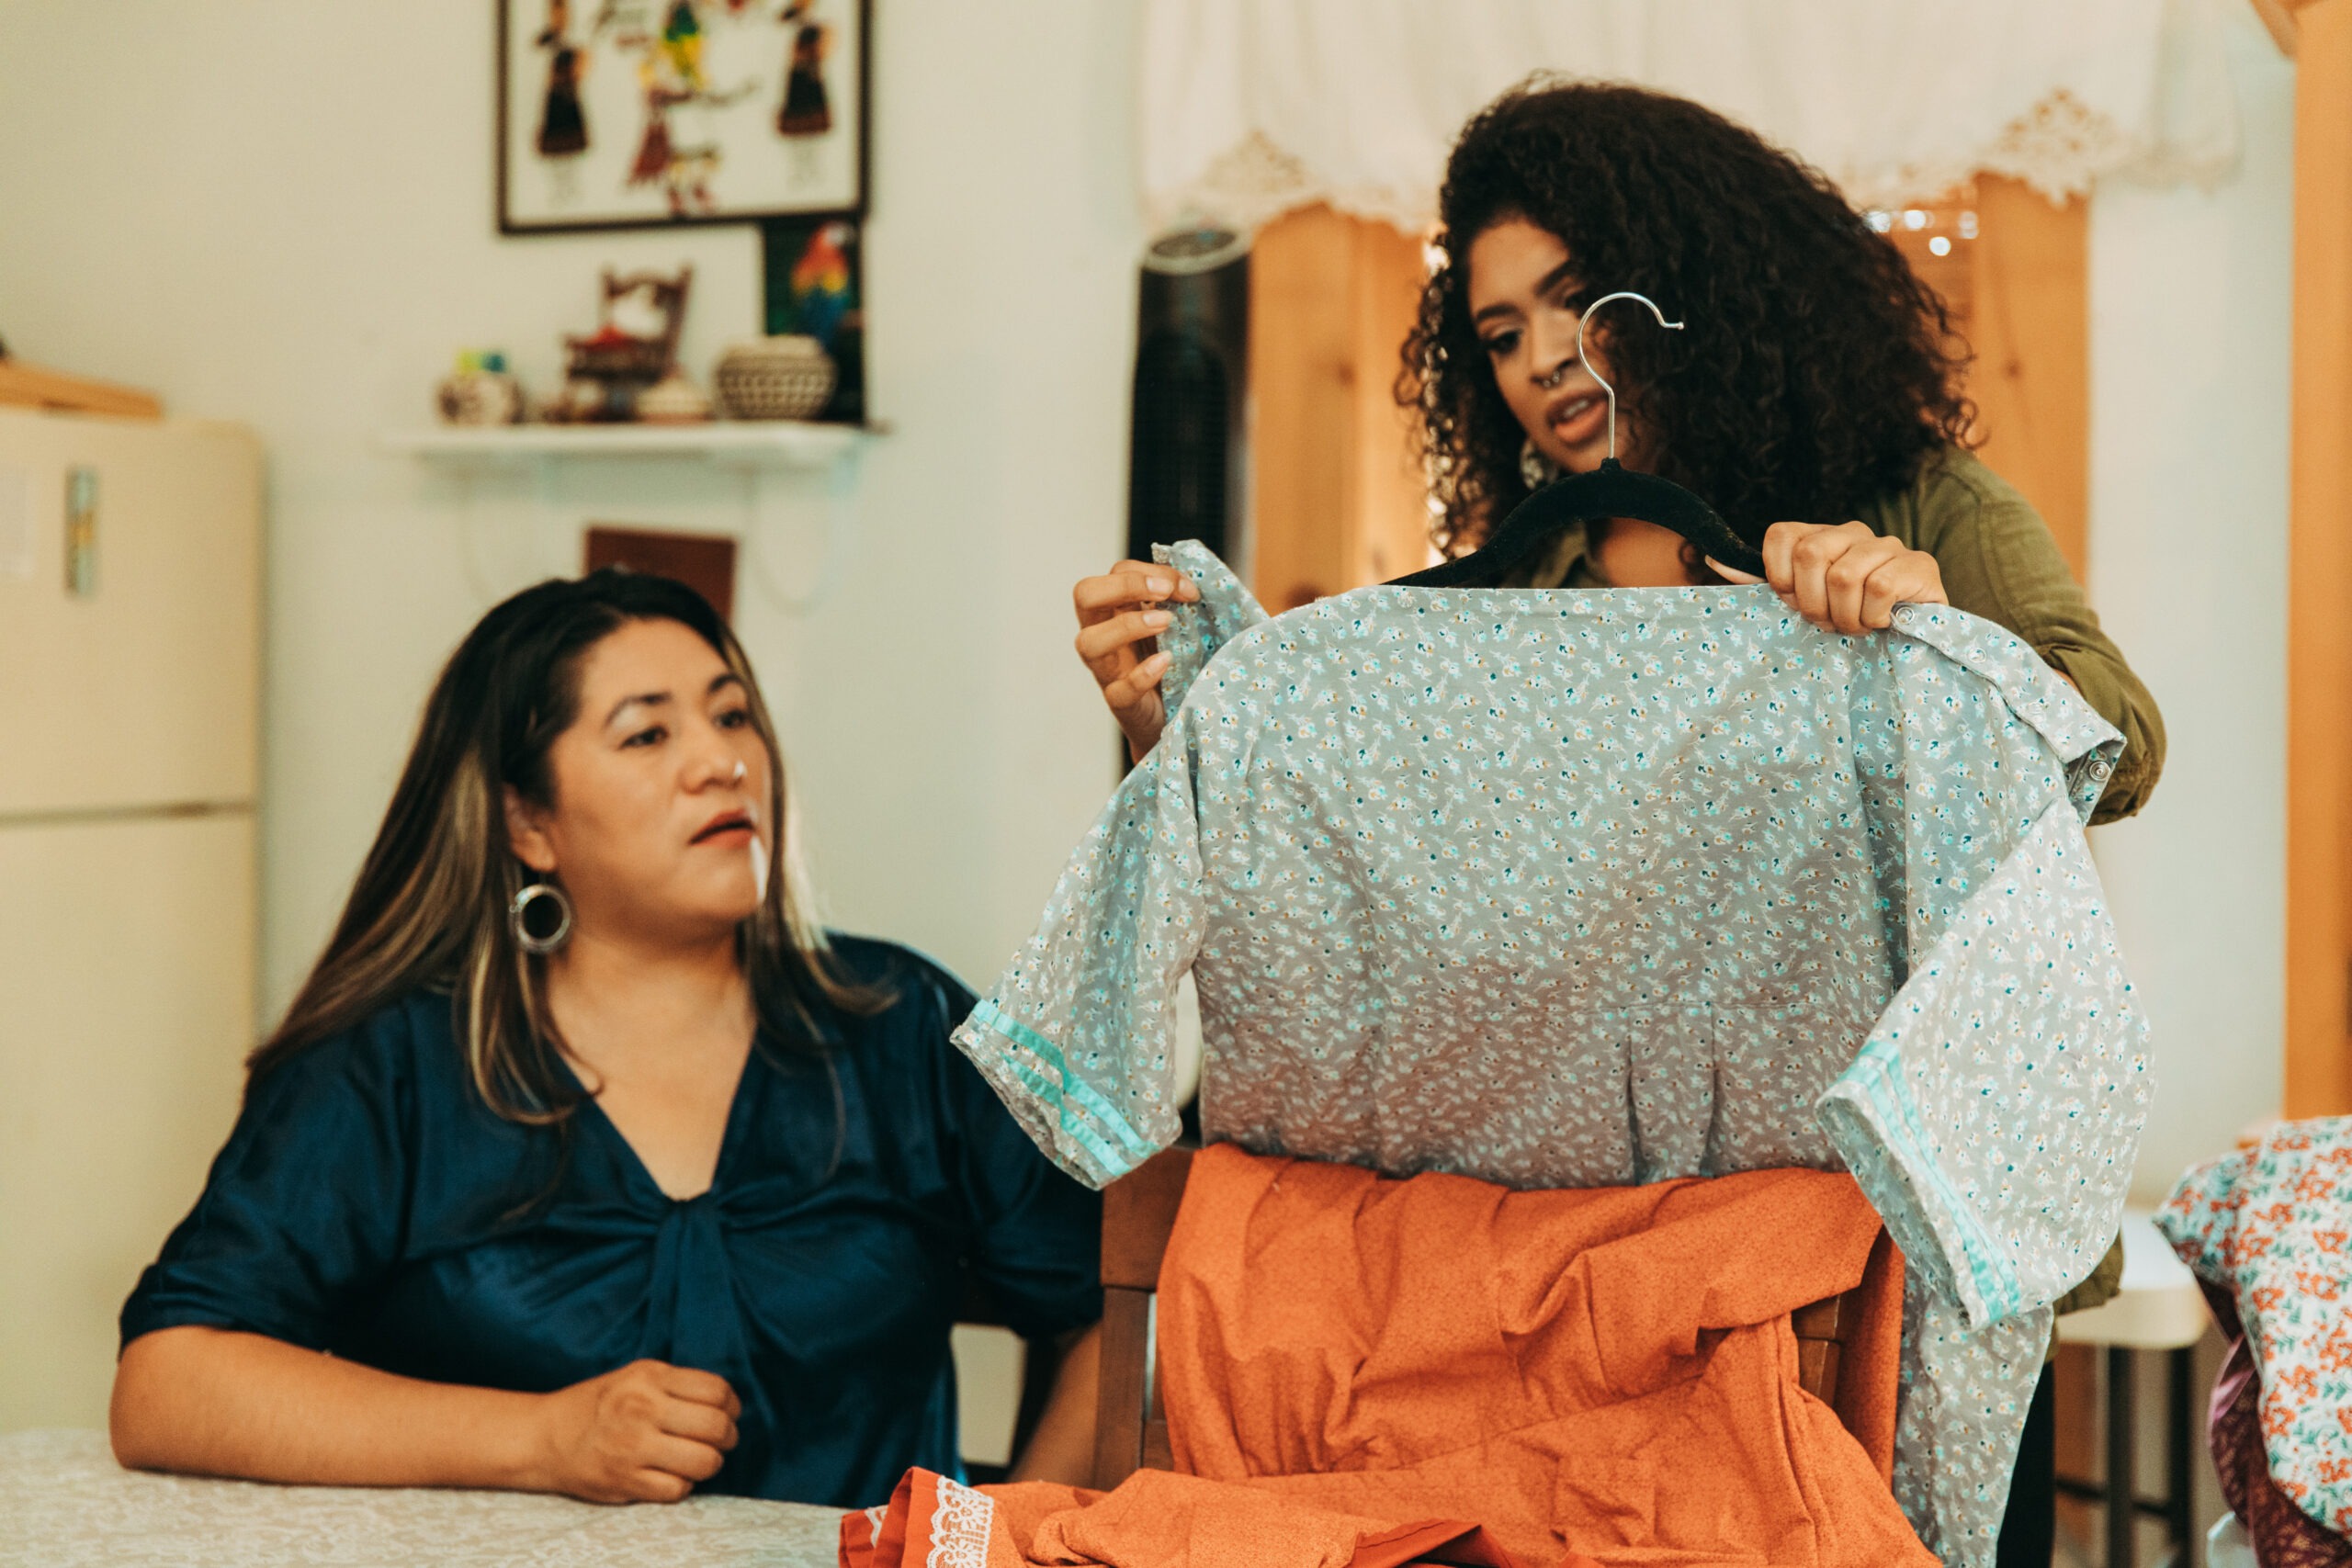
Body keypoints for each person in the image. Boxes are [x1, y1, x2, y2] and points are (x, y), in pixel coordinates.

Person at [1073, 79, 2153, 1566]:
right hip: (1615, 1288)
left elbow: (2115, 731)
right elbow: (1426, 883)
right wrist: (1188, 740)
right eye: (1500, 333)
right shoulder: (1520, 588)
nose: (1540, 364)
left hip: (1886, 1264)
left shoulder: (1912, 494)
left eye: (1576, 303)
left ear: (1693, 285)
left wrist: (1935, 624)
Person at [111, 570, 1102, 1507]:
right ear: (527, 825)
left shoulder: (901, 1021)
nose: (722, 762)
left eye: (730, 715)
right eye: (645, 737)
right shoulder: (393, 1065)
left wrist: (994, 1551)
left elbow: (1115, 1320)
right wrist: (543, 1440)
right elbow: (169, 1382)